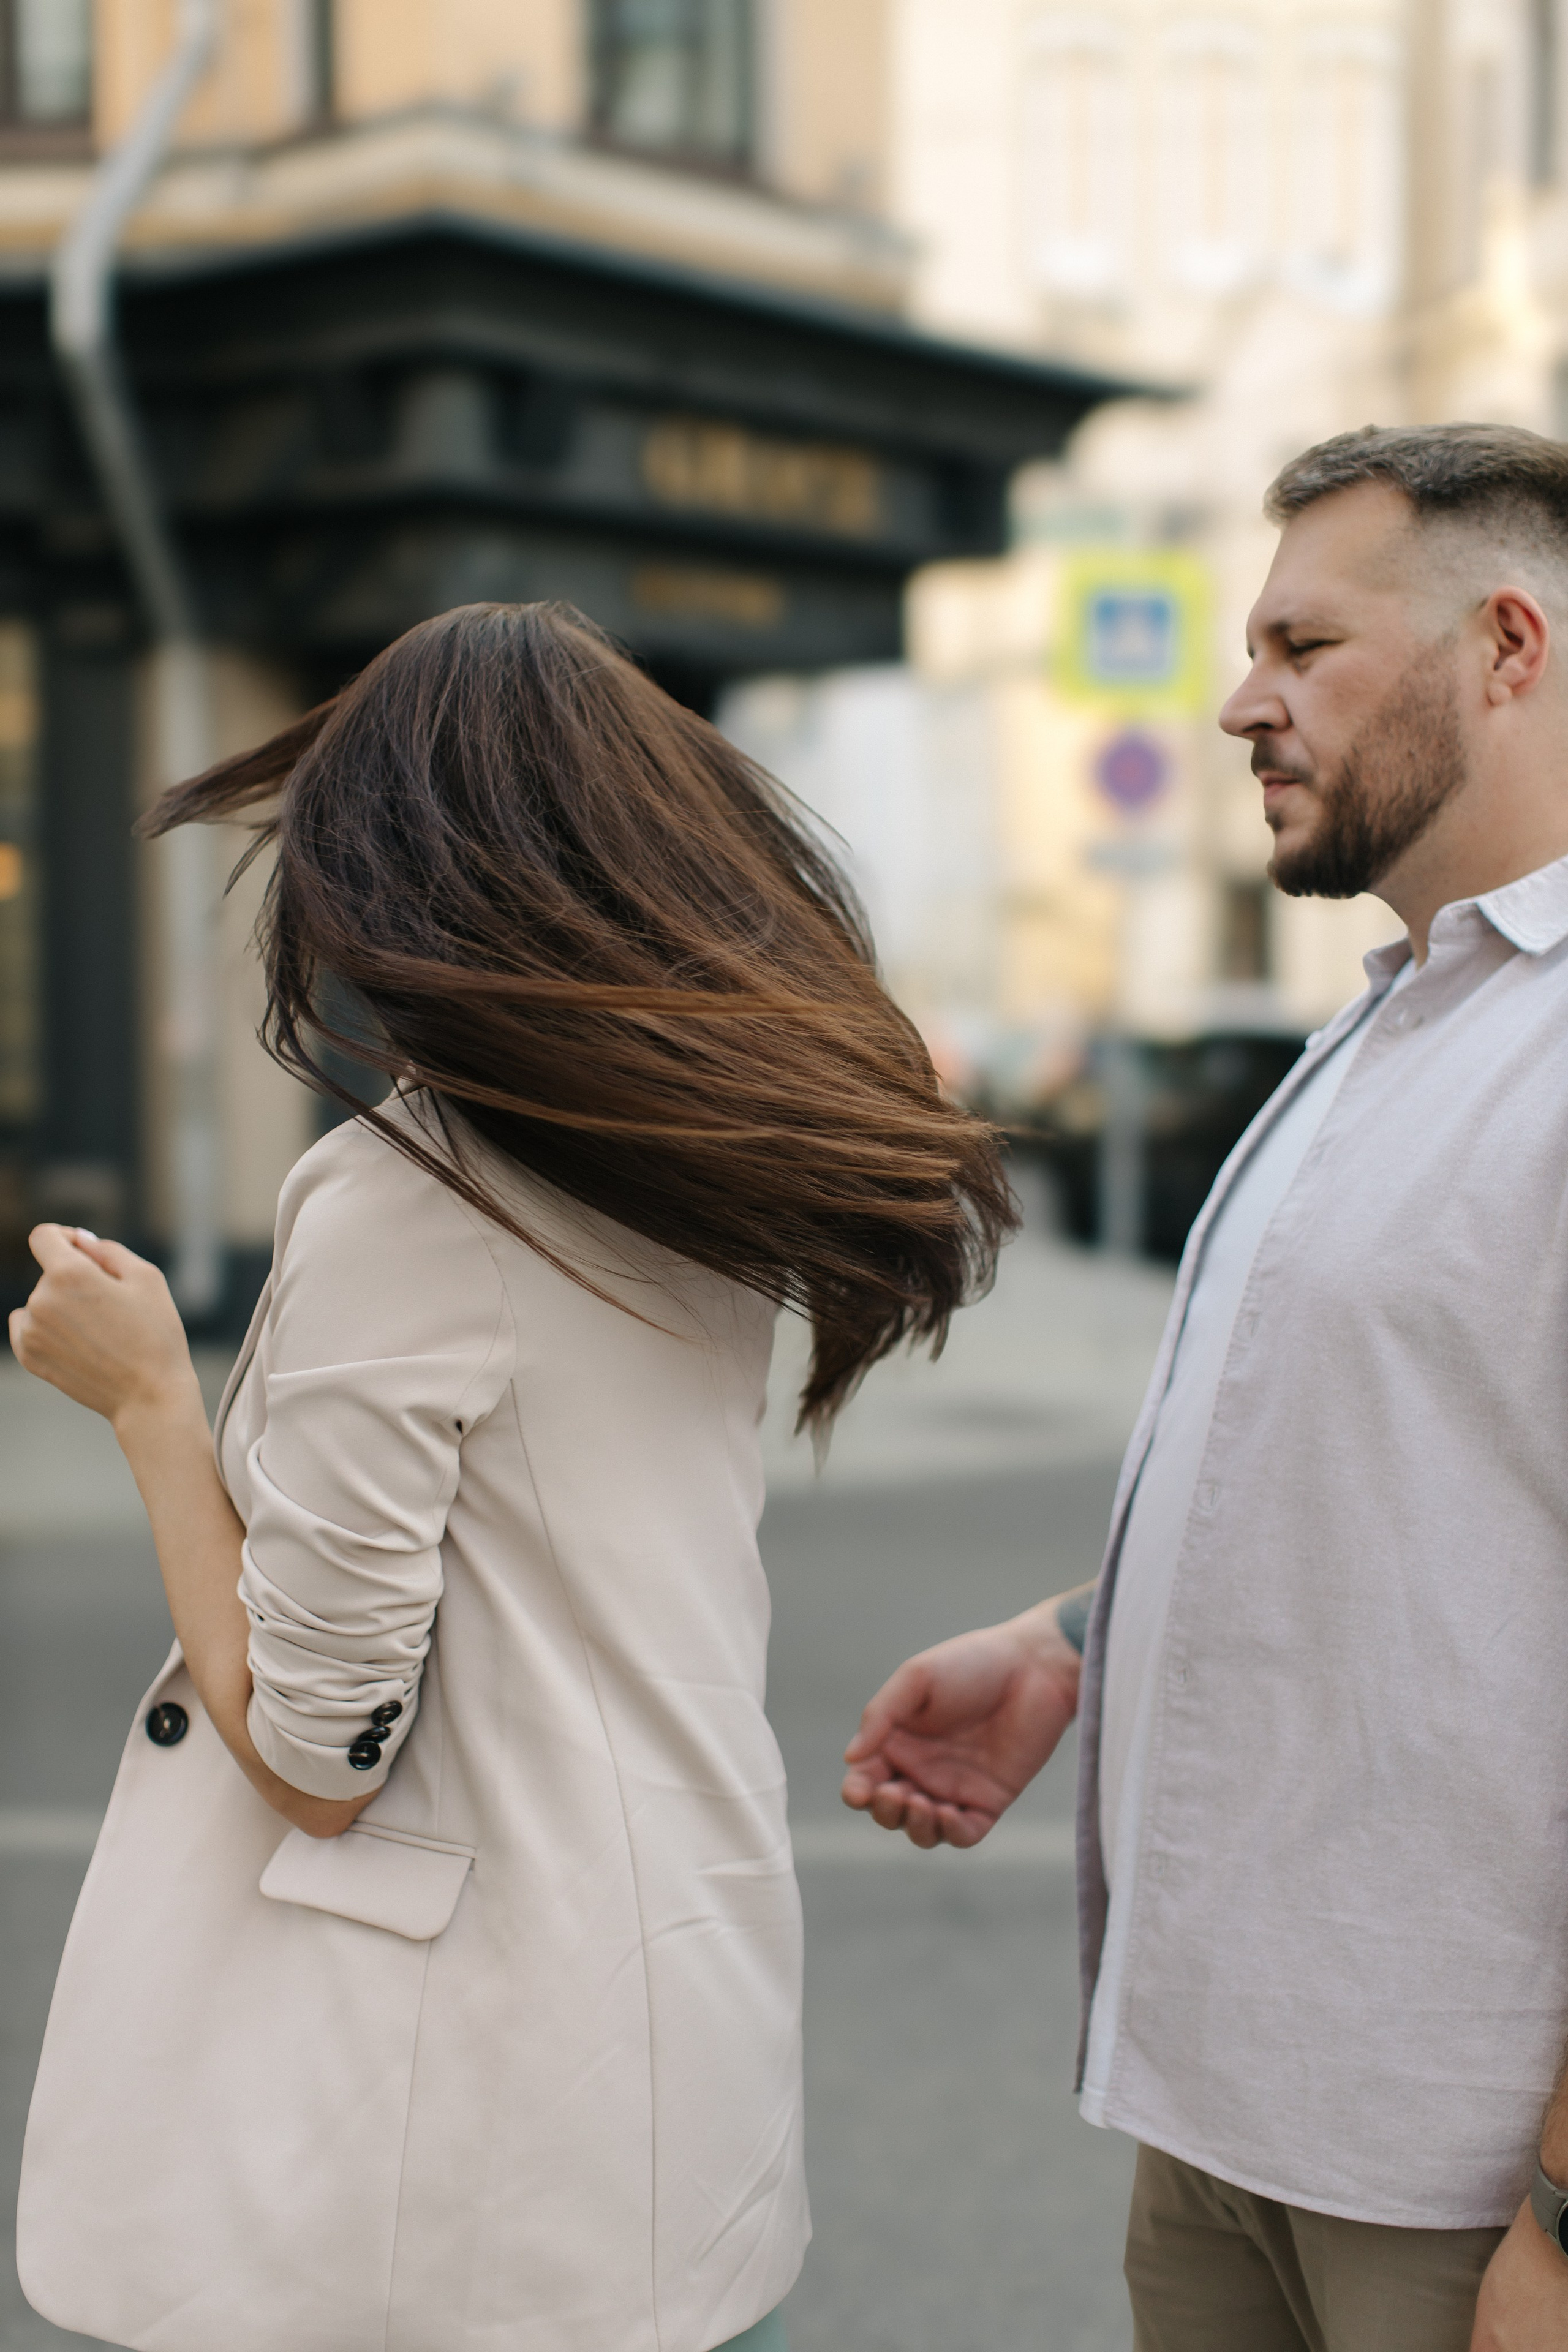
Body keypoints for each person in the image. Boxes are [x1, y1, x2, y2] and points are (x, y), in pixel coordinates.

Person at [11, 601, 1012, 2352]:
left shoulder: (411, 1200)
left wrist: (152, 1403)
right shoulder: (689, 1172)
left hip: (437, 2134)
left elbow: (322, 1756)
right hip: (658, 2055)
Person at [842, 423, 1568, 2352]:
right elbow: (1388, 1481)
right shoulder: (1400, 1018)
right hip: (1224, 2123)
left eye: (1304, 648)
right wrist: (1077, 1638)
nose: (1244, 701)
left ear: (1510, 646)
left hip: (1459, 2174)